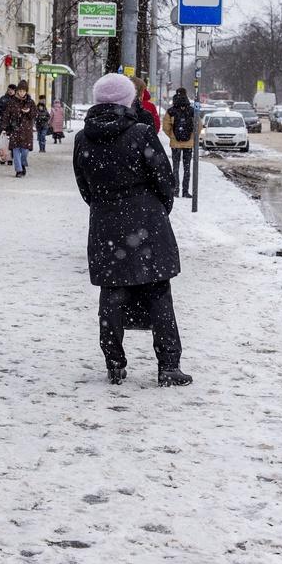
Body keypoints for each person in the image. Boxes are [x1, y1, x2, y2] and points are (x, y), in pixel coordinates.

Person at [74, 73, 191, 388]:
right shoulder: (141, 133)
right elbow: (165, 181)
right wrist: (155, 208)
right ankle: (168, 366)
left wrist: (106, 207)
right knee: (158, 293)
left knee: (112, 293)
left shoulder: (83, 139)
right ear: (129, 100)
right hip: (146, 223)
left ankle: (114, 363)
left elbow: (85, 187)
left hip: (105, 224)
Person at [163, 87, 196, 198]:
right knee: (187, 168)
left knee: (175, 168)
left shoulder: (171, 110)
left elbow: (165, 127)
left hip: (175, 144)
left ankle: (175, 190)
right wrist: (191, 136)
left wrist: (172, 136)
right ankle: (185, 191)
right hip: (188, 144)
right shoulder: (192, 110)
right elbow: (198, 125)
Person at [2, 80, 36, 177]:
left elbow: (35, 114)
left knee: (25, 151)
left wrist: (29, 111)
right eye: (20, 91)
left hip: (26, 131)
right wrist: (4, 127)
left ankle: (22, 164)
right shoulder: (12, 102)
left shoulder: (30, 102)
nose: (21, 93)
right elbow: (6, 115)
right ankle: (19, 170)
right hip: (15, 129)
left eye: (23, 91)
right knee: (15, 150)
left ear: (26, 91)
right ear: (17, 91)